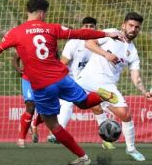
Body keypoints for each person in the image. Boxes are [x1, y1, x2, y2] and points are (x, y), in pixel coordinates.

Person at [0, 0, 126, 165]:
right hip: (62, 78)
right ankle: (103, 95)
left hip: (42, 86)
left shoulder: (15, 32)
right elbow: (80, 34)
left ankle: (82, 157)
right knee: (84, 102)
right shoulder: (52, 28)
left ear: (28, 12)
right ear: (43, 13)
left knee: (54, 126)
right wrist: (107, 34)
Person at [76, 12, 152, 162]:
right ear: (123, 25)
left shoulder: (132, 52)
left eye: (137, 27)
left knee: (125, 114)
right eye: (131, 25)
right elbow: (89, 43)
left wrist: (144, 91)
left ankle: (130, 148)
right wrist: (106, 54)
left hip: (106, 86)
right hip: (86, 80)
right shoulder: (111, 34)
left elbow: (135, 76)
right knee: (72, 103)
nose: (133, 29)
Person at [44, 17, 118, 149]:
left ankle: (106, 140)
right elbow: (63, 63)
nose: (89, 28)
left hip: (93, 80)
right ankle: (56, 134)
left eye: (92, 26)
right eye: (86, 26)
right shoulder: (73, 43)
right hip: (74, 81)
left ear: (96, 29)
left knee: (97, 107)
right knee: (67, 103)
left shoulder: (100, 43)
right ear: (81, 28)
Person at [12, 52, 42, 148]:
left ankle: (34, 124)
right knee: (30, 106)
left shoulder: (48, 43)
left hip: (44, 79)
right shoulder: (26, 43)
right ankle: (21, 139)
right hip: (28, 79)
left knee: (46, 110)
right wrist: (18, 69)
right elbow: (15, 59)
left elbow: (56, 59)